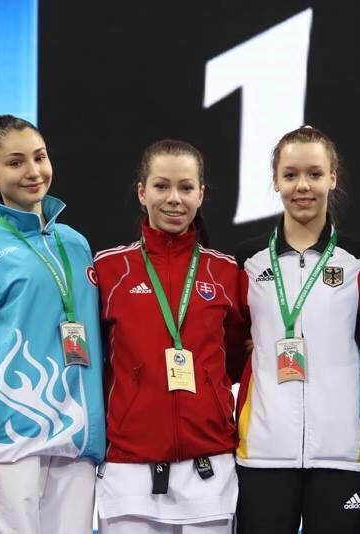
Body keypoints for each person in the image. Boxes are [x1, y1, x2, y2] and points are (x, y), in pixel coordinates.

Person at [0, 114, 105, 534]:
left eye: (39, 157)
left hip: (79, 441)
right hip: (12, 440)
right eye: (16, 162)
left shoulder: (76, 243)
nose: (33, 171)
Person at [93, 139, 247, 534]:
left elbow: (236, 358)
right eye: (161, 186)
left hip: (208, 467)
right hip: (128, 467)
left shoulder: (225, 273)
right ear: (142, 192)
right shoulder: (109, 270)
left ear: (201, 194)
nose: (174, 198)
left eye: (186, 187)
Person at [234, 126, 360, 533]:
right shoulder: (245, 260)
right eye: (291, 174)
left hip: (342, 452)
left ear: (333, 178)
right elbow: (228, 341)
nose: (303, 186)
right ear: (275, 180)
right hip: (263, 452)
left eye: (314, 174)